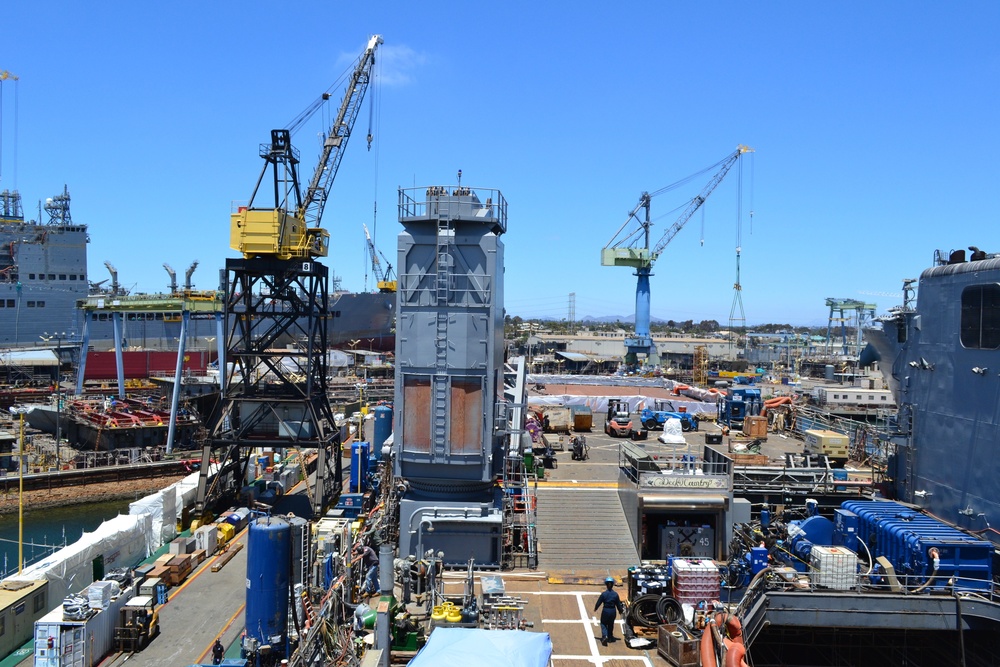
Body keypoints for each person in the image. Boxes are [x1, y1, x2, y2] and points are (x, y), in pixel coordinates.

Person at [594, 576, 625, 646]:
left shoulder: (604, 594)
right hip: (613, 611)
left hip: (606, 610)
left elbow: (599, 602)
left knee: (603, 623)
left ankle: (604, 636)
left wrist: (595, 608)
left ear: (606, 584)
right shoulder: (615, 594)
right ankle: (610, 637)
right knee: (611, 624)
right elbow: (618, 604)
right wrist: (620, 611)